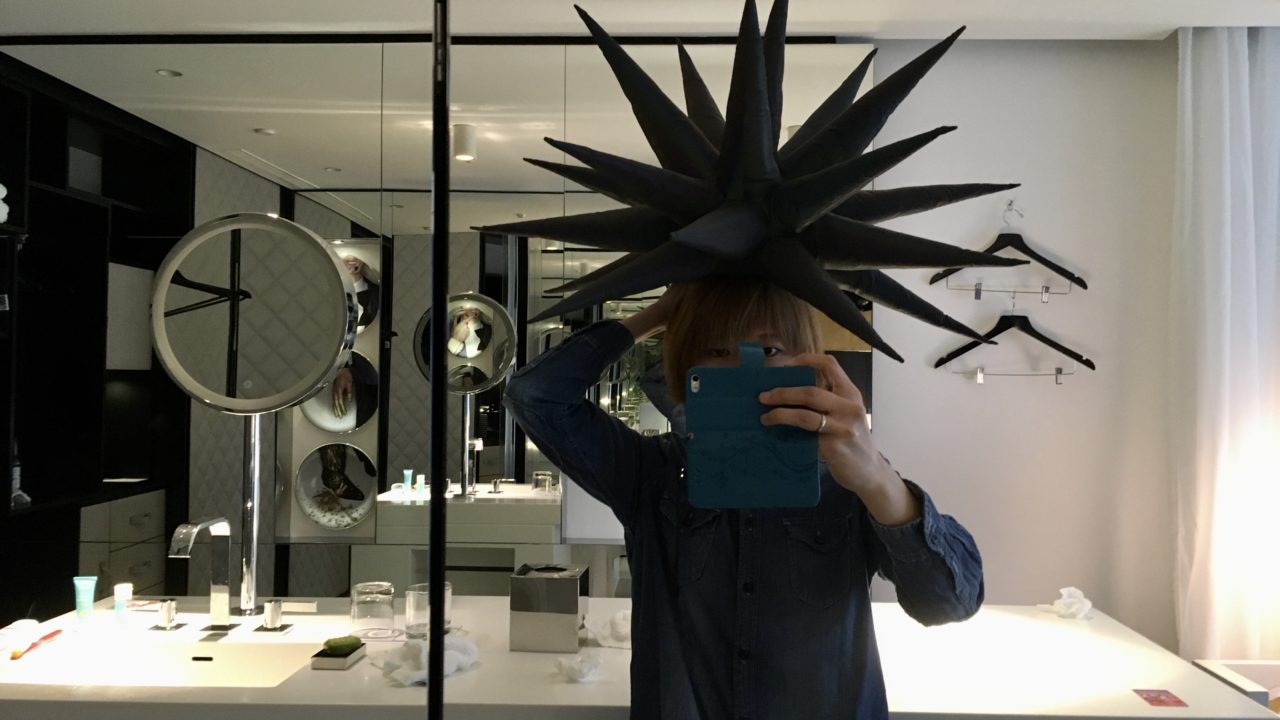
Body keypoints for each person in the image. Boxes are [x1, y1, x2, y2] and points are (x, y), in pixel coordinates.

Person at [505, 277, 983, 720]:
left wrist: (877, 476)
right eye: (716, 349)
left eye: (769, 349)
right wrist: (659, 315)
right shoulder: (649, 475)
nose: (741, 368)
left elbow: (951, 602)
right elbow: (534, 395)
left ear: (807, 363)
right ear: (688, 366)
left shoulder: (848, 477)